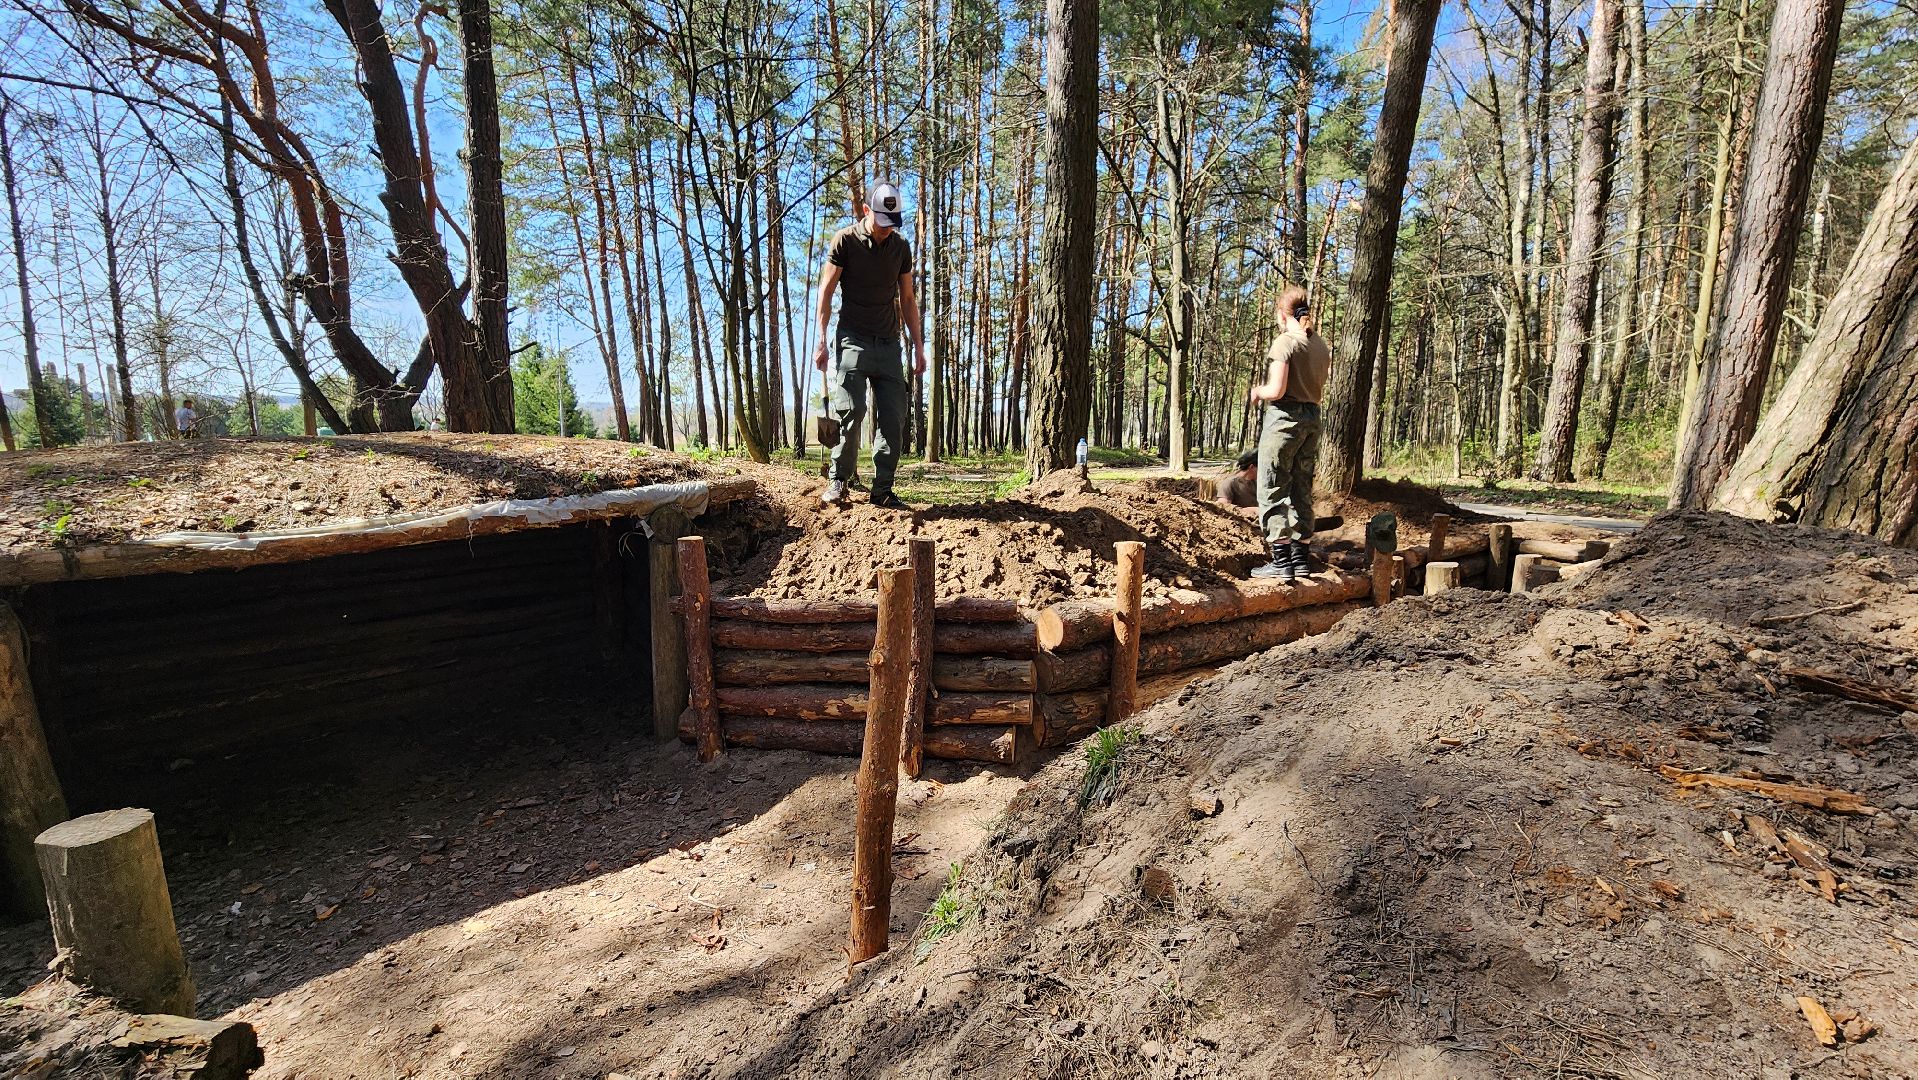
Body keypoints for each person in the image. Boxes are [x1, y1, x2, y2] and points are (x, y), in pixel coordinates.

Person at [812, 181, 926, 509]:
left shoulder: (900, 247)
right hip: (852, 340)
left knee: (893, 416)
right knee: (852, 410)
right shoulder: (845, 241)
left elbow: (907, 299)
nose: (887, 229)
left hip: (889, 344)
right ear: (866, 211)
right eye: (882, 221)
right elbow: (826, 291)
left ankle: (883, 490)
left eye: (893, 223)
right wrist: (822, 340)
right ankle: (838, 480)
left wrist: (919, 346)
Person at [1245, 287, 1332, 581]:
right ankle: (1300, 559)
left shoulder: (1286, 342)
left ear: (1283, 315)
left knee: (1271, 485)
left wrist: (1258, 392)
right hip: (1312, 419)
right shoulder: (1319, 344)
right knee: (1301, 487)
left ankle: (1281, 562)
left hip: (1284, 419)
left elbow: (1277, 390)